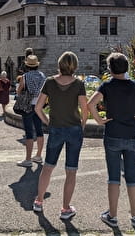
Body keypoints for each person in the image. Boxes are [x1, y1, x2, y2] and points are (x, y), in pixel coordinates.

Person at [87, 52, 135, 228]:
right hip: (132, 135)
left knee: (114, 177)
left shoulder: (107, 86)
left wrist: (99, 120)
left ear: (110, 68)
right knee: (132, 176)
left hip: (113, 134)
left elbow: (91, 104)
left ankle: (112, 216)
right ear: (126, 67)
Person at [33, 51, 88, 219]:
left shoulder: (49, 82)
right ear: (75, 66)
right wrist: (83, 124)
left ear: (59, 64)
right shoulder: (78, 84)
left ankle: (39, 202)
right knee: (71, 170)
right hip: (74, 129)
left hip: (56, 128)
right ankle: (65, 209)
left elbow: (37, 108)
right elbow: (84, 109)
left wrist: (47, 121)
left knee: (48, 167)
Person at [16, 55, 46, 167]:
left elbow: (19, 90)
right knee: (39, 130)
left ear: (27, 65)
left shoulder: (25, 76)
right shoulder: (42, 76)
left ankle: (28, 159)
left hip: (28, 105)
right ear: (37, 65)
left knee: (29, 132)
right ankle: (38, 155)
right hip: (39, 105)